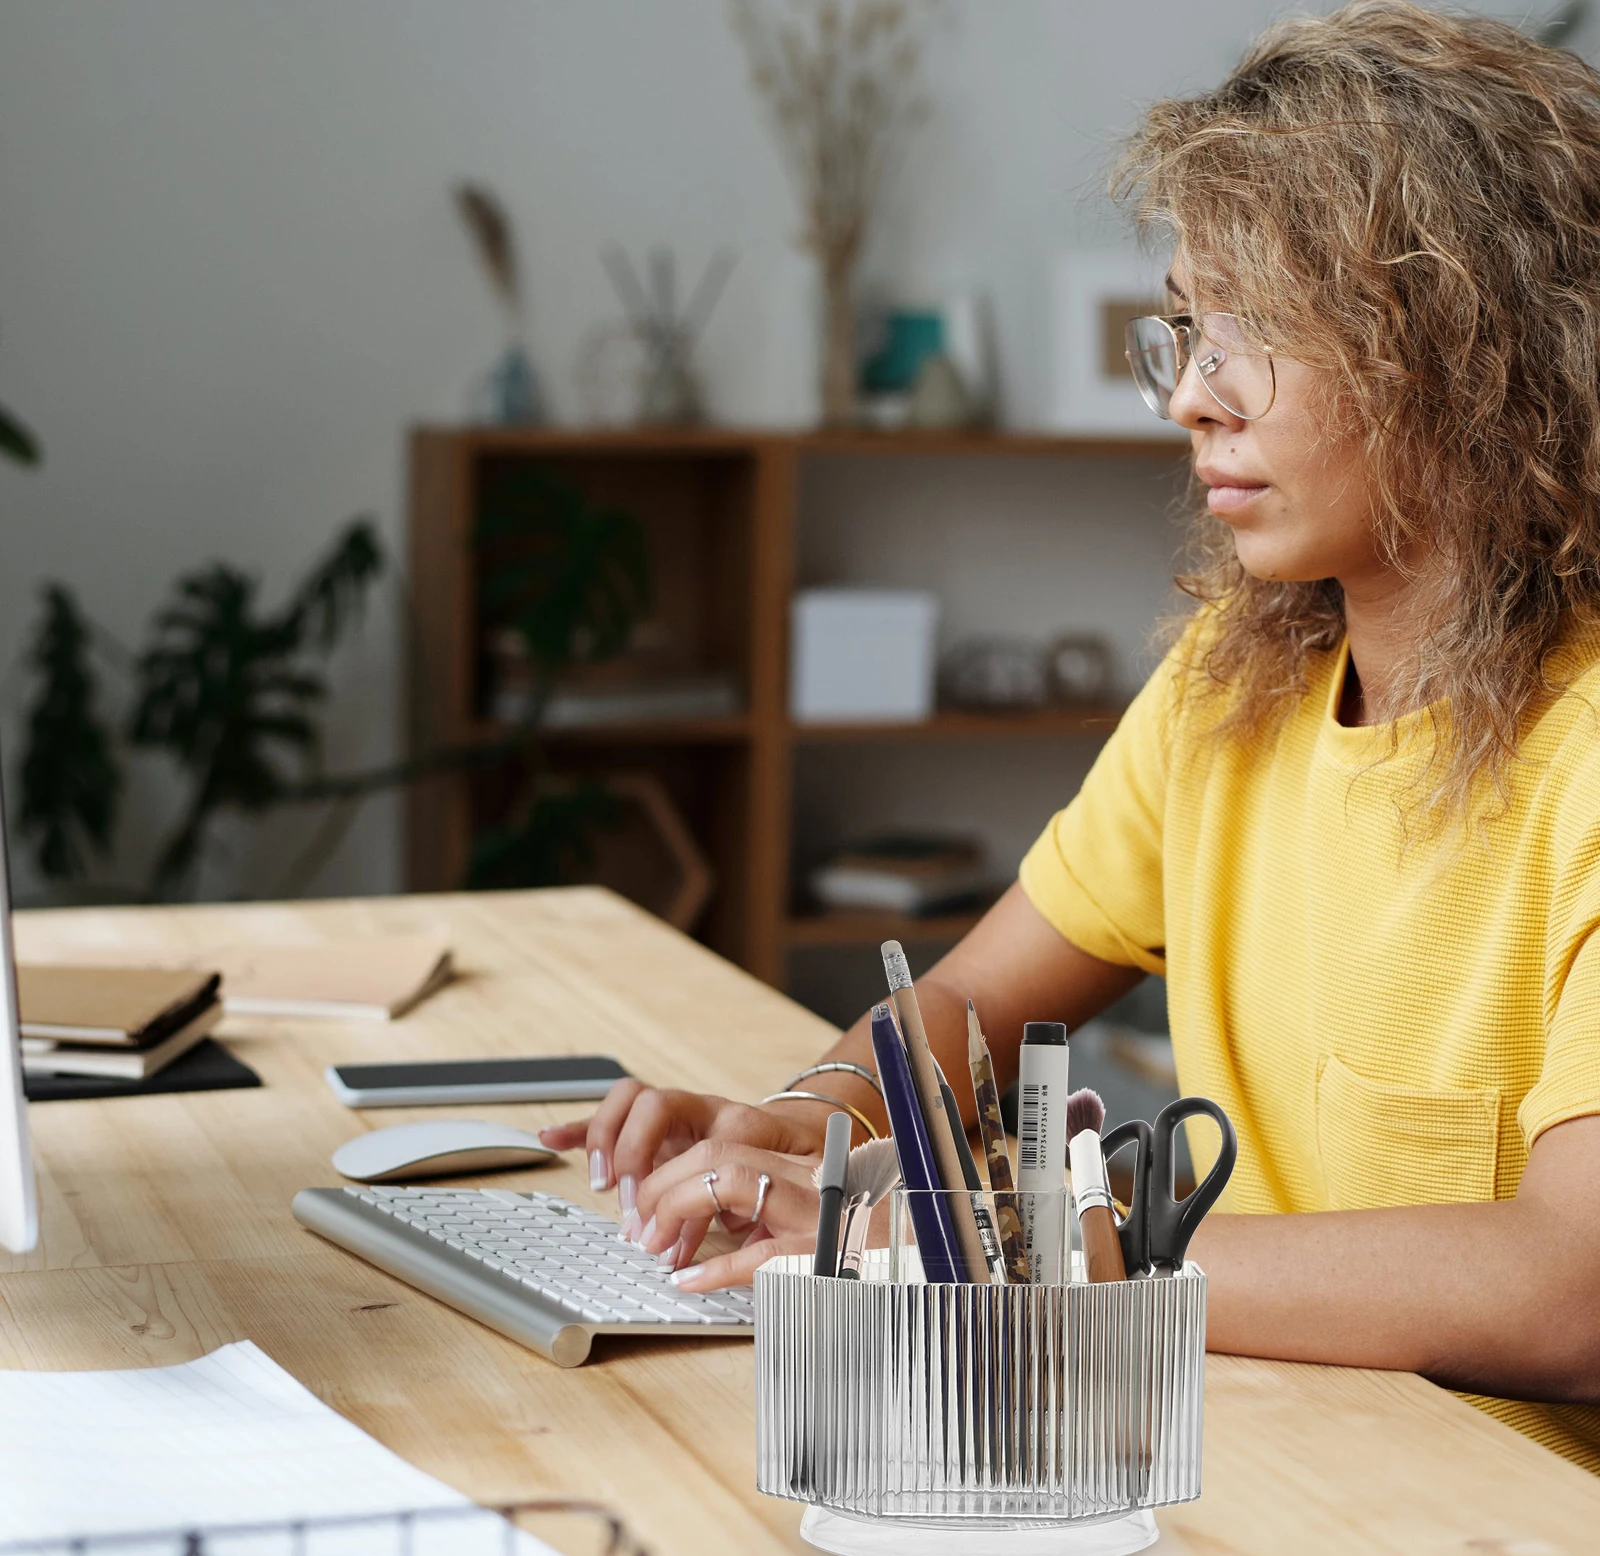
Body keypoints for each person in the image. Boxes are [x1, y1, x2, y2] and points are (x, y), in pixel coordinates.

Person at [543, 0, 1600, 1471]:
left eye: (1258, 333)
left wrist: (996, 1249)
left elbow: (1574, 1289)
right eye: (1186, 321)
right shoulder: (1233, 686)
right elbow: (971, 1003)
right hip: (1242, 1443)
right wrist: (799, 1129)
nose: (1186, 395)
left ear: (1479, 353)